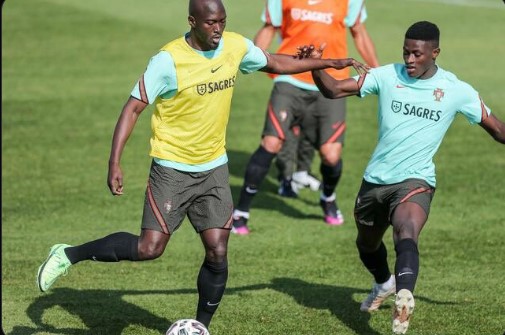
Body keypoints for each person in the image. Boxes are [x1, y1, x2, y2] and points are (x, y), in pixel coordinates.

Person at [35, 0, 369, 330]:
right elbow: (132, 108)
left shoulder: (234, 46)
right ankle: (69, 254)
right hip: (172, 169)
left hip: (213, 169)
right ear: (192, 21)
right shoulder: (168, 61)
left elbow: (276, 62)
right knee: (149, 248)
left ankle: (200, 326)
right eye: (211, 23)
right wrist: (114, 162)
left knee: (217, 250)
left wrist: (330, 61)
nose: (218, 29)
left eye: (222, 21)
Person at [303, 21, 505, 334]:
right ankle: (385, 282)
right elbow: (332, 90)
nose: (410, 60)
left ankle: (404, 295)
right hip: (375, 181)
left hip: (416, 181)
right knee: (366, 245)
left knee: (406, 231)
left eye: (417, 55)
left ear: (435, 53)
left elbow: (498, 130)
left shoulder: (456, 90)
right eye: (406, 53)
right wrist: (313, 66)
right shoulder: (386, 75)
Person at [232, 0, 379, 234]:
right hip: (290, 79)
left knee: (331, 155)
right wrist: (250, 62)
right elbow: (269, 28)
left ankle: (327, 197)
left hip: (332, 83)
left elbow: (359, 32)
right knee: (271, 143)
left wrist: (377, 71)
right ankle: (241, 212)